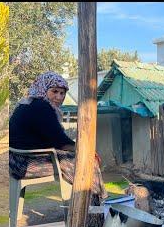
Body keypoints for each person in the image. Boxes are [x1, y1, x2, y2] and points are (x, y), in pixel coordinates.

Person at [9, 71, 107, 205]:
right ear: (43, 89)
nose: (59, 97)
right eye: (54, 91)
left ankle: (91, 204)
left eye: (62, 93)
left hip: (15, 160)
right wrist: (87, 152)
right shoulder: (41, 107)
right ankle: (93, 209)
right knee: (87, 163)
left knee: (81, 159)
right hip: (25, 163)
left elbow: (53, 139)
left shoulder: (27, 104)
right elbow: (61, 142)